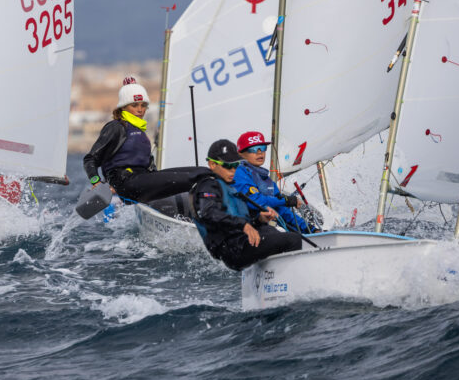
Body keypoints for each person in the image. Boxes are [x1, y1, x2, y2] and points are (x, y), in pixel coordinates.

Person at [80, 77, 210, 216]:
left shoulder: (138, 130)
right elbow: (90, 159)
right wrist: (96, 182)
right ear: (123, 107)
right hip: (128, 184)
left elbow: (145, 164)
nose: (140, 110)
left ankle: (203, 213)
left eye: (143, 105)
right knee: (196, 177)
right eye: (134, 105)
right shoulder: (116, 127)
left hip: (142, 180)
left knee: (203, 171)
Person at [192, 139, 302, 270]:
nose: (232, 170)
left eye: (235, 165)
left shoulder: (229, 186)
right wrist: (244, 225)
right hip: (232, 249)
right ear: (212, 164)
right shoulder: (208, 186)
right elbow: (209, 213)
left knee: (272, 232)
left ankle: (272, 277)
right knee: (294, 240)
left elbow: (238, 216)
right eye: (227, 166)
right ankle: (288, 279)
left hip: (242, 242)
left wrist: (259, 219)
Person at [233, 131, 314, 234]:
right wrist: (286, 200)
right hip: (239, 233)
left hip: (259, 231)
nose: (259, 152)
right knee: (286, 241)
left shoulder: (267, 181)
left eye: (262, 148)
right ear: (241, 154)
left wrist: (311, 229)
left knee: (291, 239)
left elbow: (283, 212)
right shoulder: (238, 172)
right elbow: (256, 202)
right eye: (253, 149)